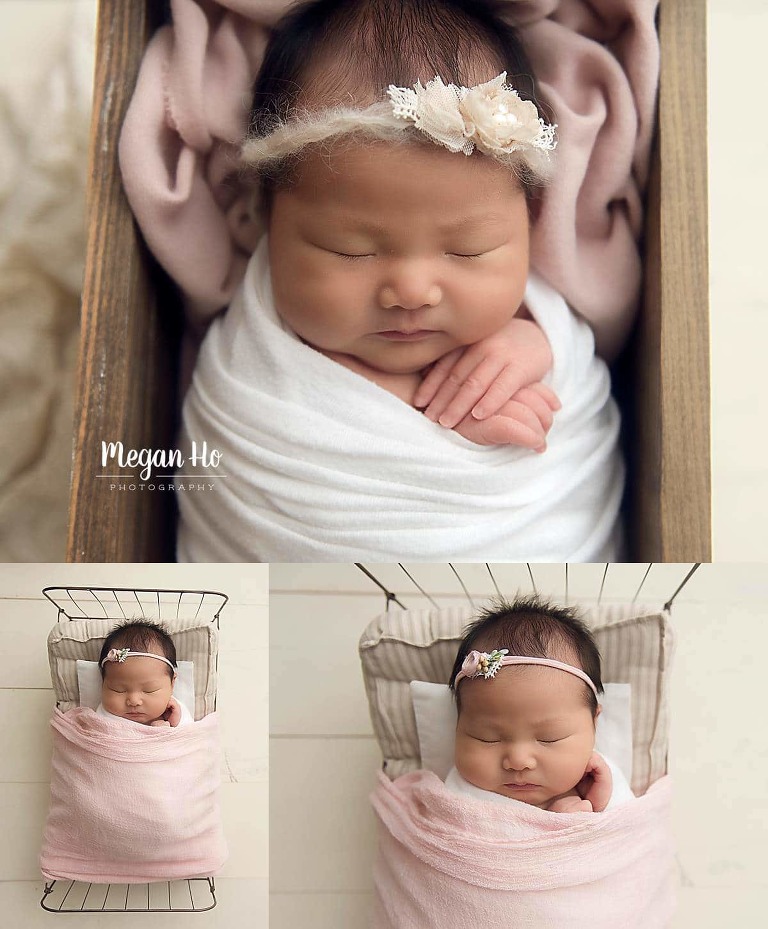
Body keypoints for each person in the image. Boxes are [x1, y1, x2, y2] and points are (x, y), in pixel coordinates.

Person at [175, 0, 623, 561]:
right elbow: (257, 422)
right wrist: (447, 412)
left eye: (468, 249)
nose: (412, 291)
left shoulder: (539, 316)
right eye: (351, 250)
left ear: (532, 216)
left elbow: (581, 361)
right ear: (267, 215)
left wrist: (540, 341)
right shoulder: (253, 364)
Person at [447, 597, 634, 811]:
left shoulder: (604, 780)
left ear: (594, 724)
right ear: (458, 724)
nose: (519, 761)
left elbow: (632, 834)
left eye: (550, 737)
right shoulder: (454, 794)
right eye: (487, 738)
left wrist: (596, 809)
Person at [97, 620, 193, 727]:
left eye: (149, 690)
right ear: (103, 682)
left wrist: (173, 726)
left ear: (172, 683)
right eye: (118, 690)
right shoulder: (102, 717)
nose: (134, 701)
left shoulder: (177, 712)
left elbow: (192, 738)